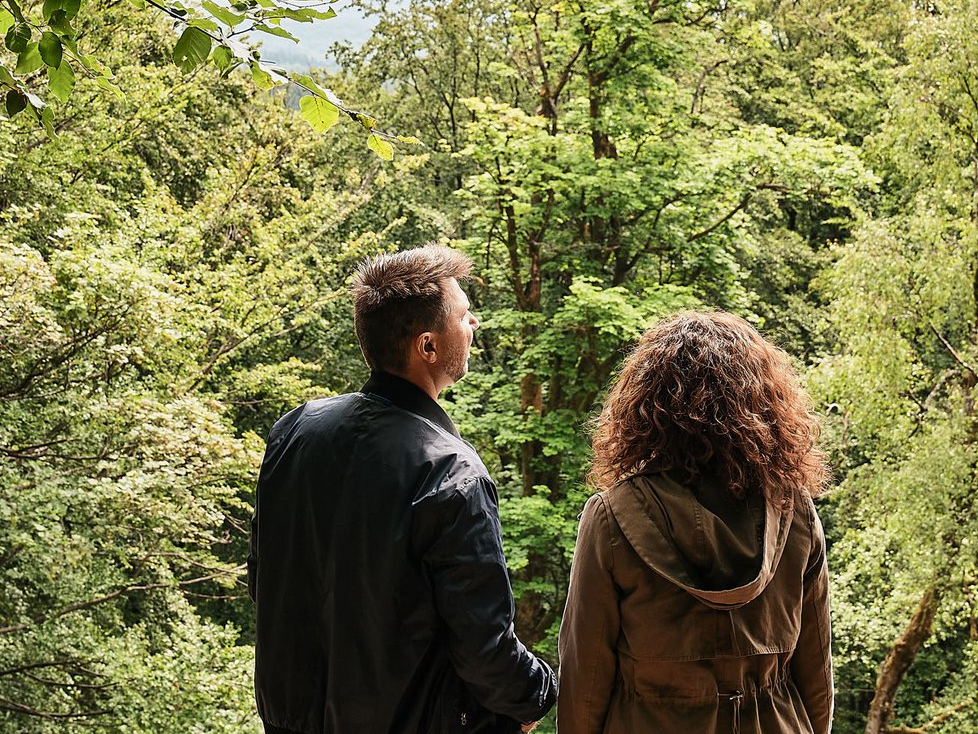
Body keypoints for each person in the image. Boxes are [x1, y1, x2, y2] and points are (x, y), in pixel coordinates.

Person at [250, 245, 556, 734]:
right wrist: (538, 694)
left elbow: (262, 581)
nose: (474, 322)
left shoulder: (295, 431)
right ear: (427, 347)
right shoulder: (451, 473)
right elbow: (485, 651)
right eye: (463, 314)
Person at [558, 311, 833, 734]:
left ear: (648, 407)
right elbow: (816, 670)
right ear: (763, 405)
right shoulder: (794, 510)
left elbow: (586, 675)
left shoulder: (613, 517)